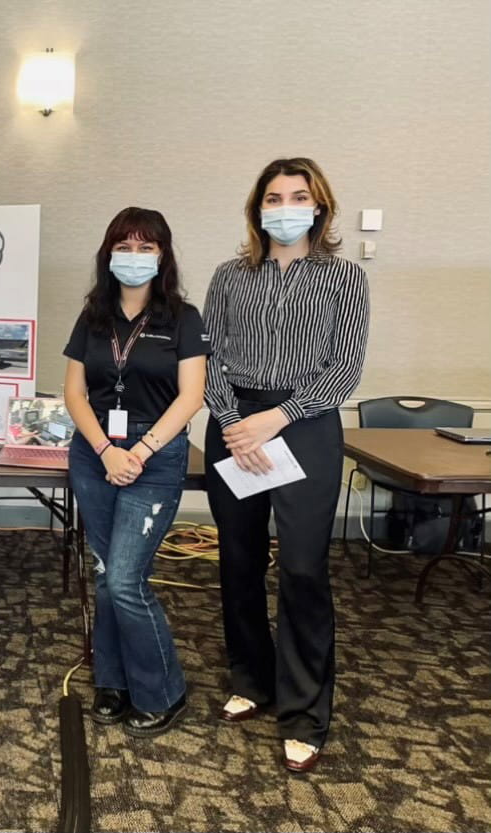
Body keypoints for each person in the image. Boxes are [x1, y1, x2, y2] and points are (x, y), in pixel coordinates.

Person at [203, 157, 369, 773]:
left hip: (303, 428)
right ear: (257, 208)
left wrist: (275, 420)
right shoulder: (228, 276)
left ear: (319, 206)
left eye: (298, 196)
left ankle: (304, 711)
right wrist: (231, 423)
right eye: (273, 197)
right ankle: (253, 676)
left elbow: (345, 367)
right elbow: (209, 356)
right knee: (238, 558)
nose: (284, 207)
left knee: (301, 568)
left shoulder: (344, 278)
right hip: (232, 424)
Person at [64, 207, 209, 737]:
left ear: (163, 255)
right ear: (108, 254)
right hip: (96, 451)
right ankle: (114, 681)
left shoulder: (183, 317)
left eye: (146, 247)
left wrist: (140, 451)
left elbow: (192, 396)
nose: (134, 256)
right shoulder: (93, 316)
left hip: (155, 452)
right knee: (106, 574)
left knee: (126, 580)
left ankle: (163, 691)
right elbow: (74, 393)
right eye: (124, 246)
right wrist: (105, 449)